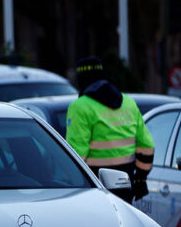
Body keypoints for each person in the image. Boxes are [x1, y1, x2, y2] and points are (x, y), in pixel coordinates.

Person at [65, 56, 153, 202]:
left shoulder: (79, 107)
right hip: (125, 185)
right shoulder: (128, 103)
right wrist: (140, 179)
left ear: (81, 79)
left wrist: (69, 183)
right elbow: (147, 146)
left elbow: (76, 153)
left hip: (95, 188)